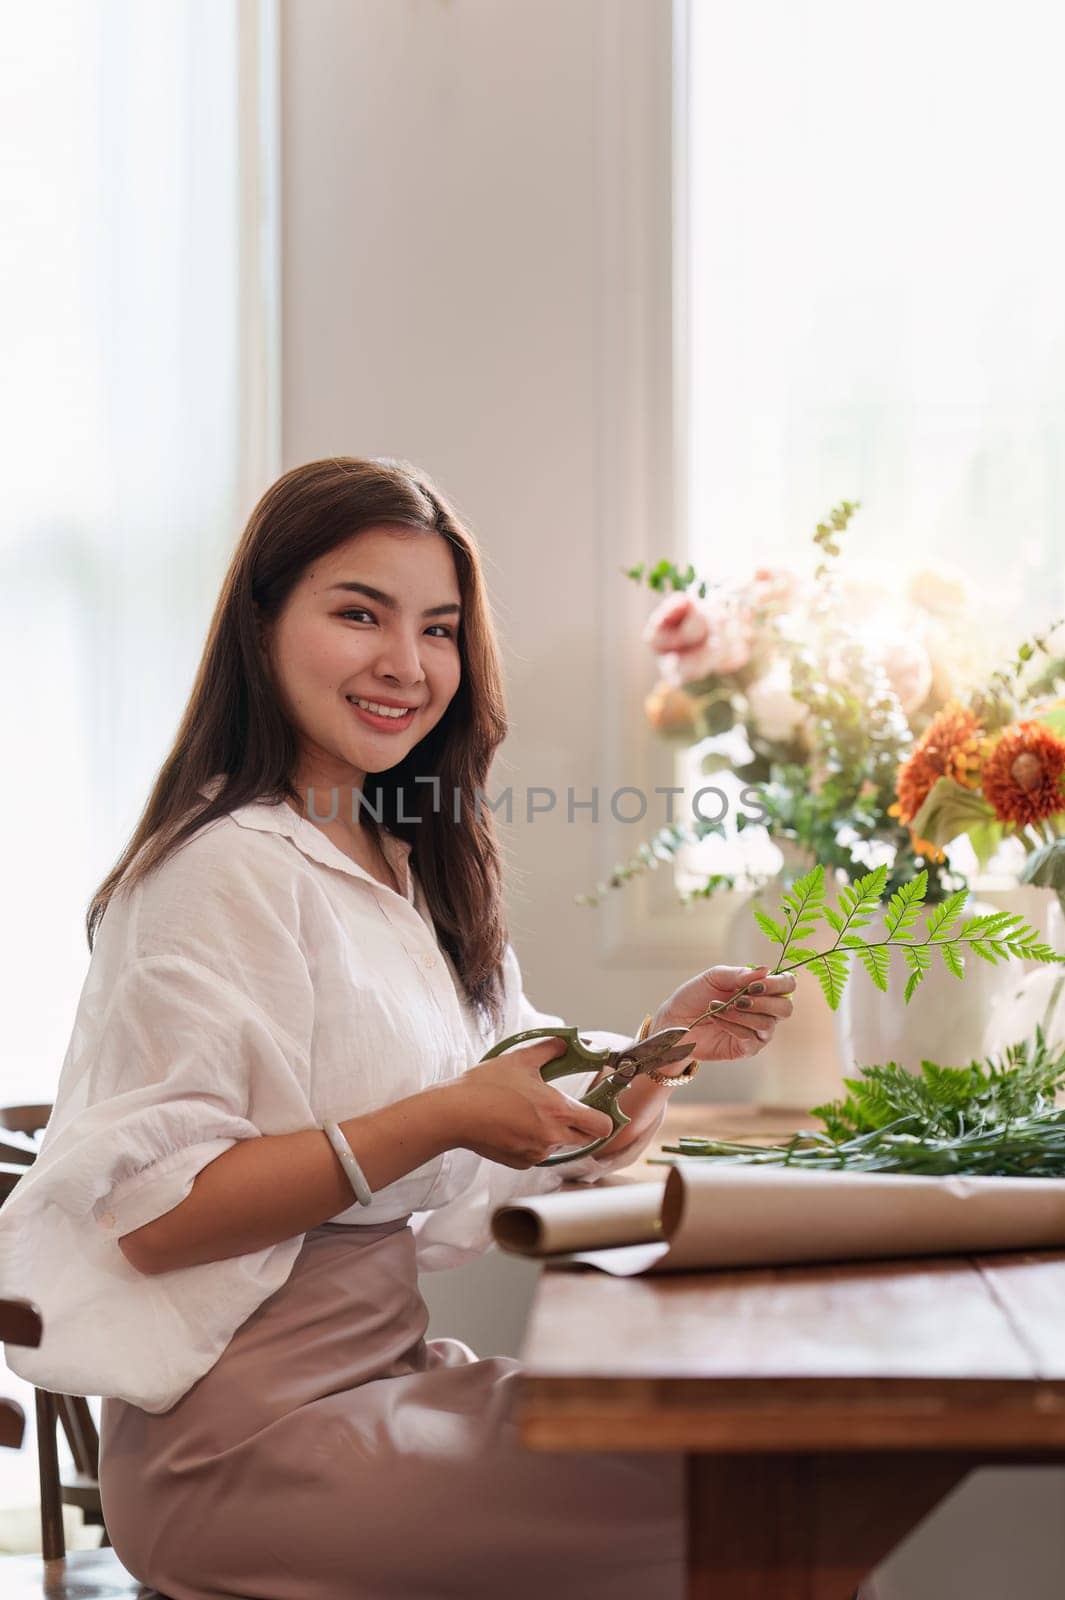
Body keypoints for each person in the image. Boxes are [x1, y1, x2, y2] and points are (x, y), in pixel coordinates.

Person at [0, 457, 796, 1599]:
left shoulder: (406, 865)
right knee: (757, 1513)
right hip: (240, 1445)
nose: (405, 664)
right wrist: (436, 1117)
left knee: (768, 1479)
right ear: (260, 622)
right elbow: (152, 1216)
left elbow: (520, 1106)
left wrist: (655, 1047)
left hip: (386, 1378)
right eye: (358, 613)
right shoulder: (217, 872)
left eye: (439, 628)